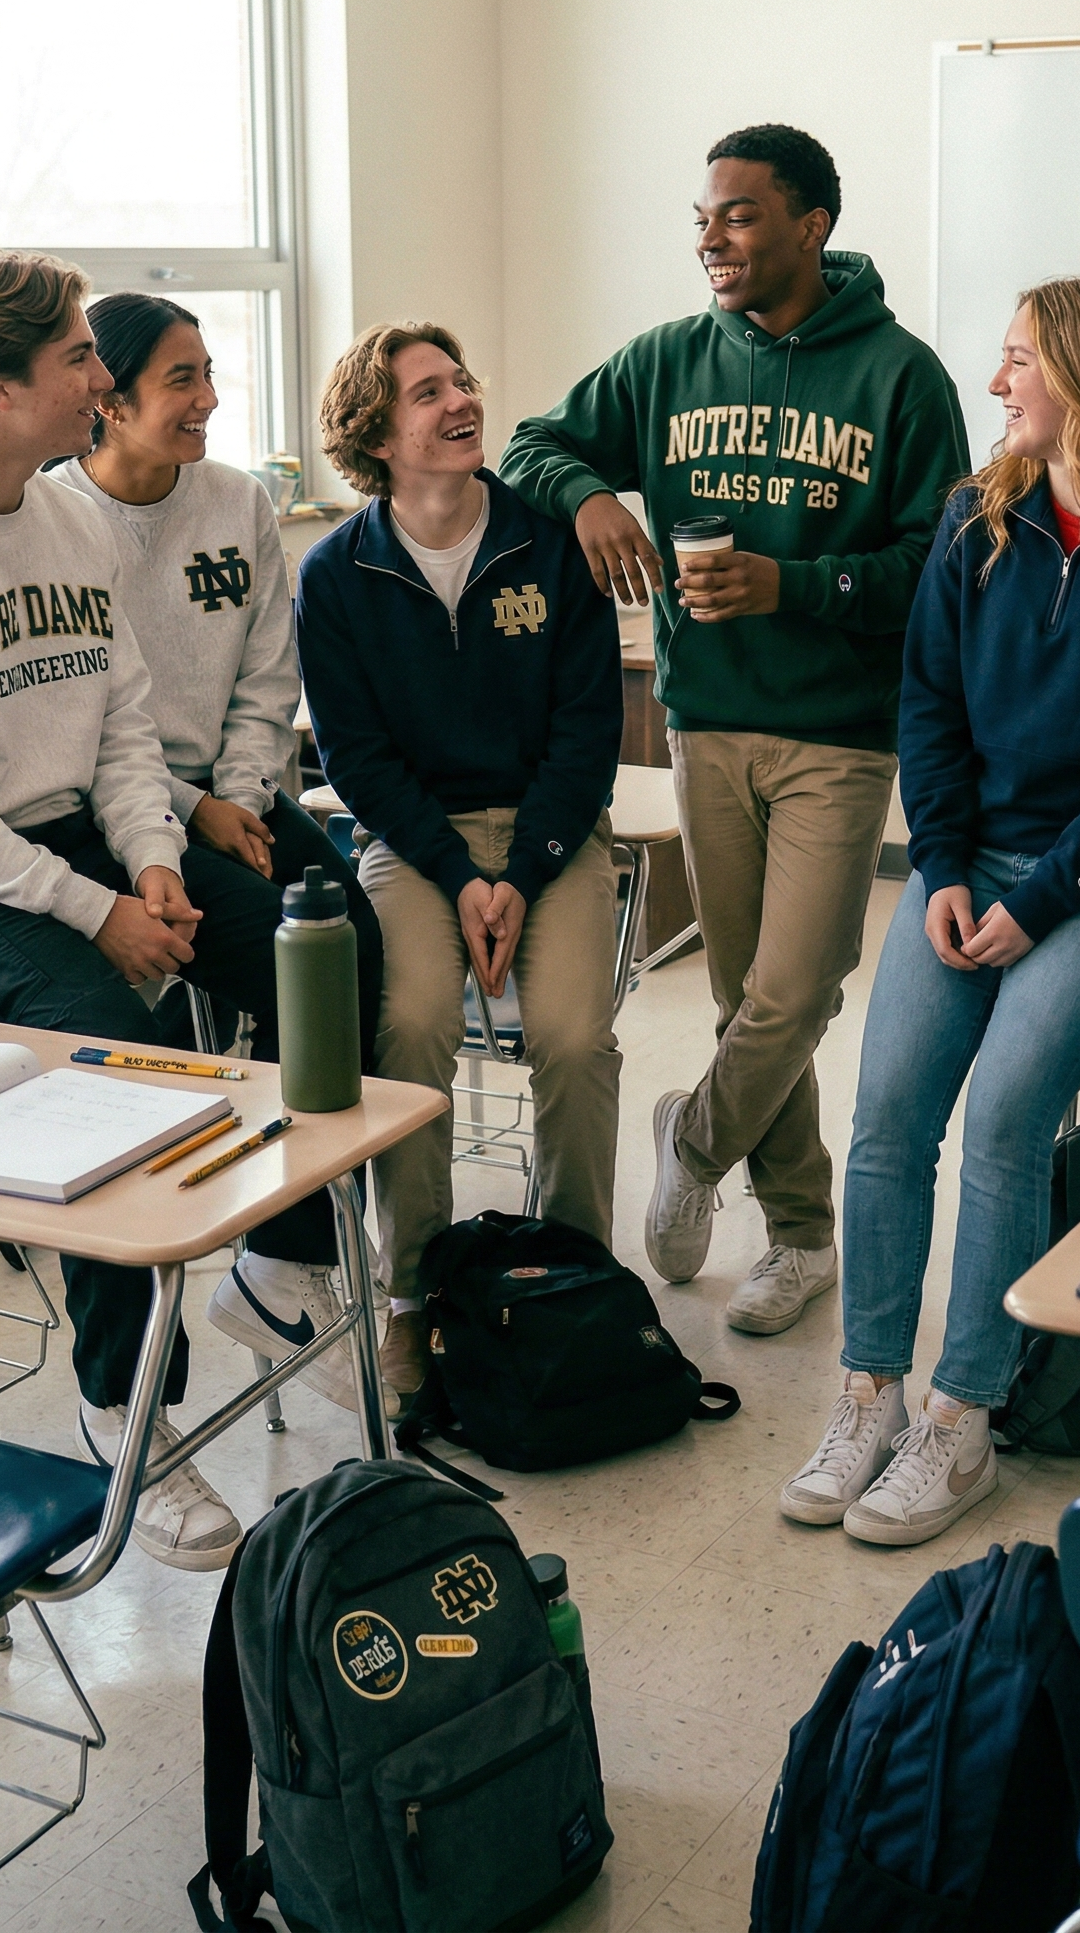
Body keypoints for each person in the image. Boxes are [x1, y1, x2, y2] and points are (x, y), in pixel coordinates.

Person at [0, 249, 307, 1570]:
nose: (101, 376)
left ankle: (289, 1264)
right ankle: (125, 1411)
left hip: (73, 835)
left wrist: (151, 866)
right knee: (114, 1061)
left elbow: (125, 732)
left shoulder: (69, 519)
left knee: (310, 938)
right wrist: (97, 918)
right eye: (80, 358)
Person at [779, 278, 1080, 1544]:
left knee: (1001, 1120)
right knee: (883, 1118)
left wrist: (1037, 901)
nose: (998, 384)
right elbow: (924, 705)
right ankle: (869, 1389)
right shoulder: (973, 520)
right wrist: (937, 870)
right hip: (960, 867)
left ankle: (960, 1417)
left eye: (1016, 360)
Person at [501, 125, 969, 1334]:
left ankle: (694, 1138)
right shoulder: (665, 361)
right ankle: (802, 1234)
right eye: (702, 216)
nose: (711, 236)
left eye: (741, 215)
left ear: (811, 226)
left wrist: (792, 587)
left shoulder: (901, 377)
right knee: (739, 992)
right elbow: (532, 444)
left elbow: (935, 564)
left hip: (839, 733)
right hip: (704, 723)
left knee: (796, 989)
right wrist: (594, 497)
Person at [56, 291, 384, 1413]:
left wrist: (239, 796)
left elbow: (264, 677)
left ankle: (281, 1261)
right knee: (271, 957)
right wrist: (194, 811)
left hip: (235, 794)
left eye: (208, 373)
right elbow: (97, 720)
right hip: (122, 814)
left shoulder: (238, 502)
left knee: (346, 945)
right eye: (180, 380)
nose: (206, 400)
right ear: (108, 400)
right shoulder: (59, 523)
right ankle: (227, 1279)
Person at [297, 322, 623, 1411]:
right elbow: (354, 757)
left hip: (550, 836)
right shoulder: (336, 574)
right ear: (374, 436)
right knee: (412, 1024)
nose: (457, 403)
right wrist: (455, 870)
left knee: (575, 1038)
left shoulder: (543, 539)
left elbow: (587, 732)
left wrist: (519, 874)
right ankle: (409, 1296)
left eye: (461, 382)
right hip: (413, 839)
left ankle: (575, 1276)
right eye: (425, 393)